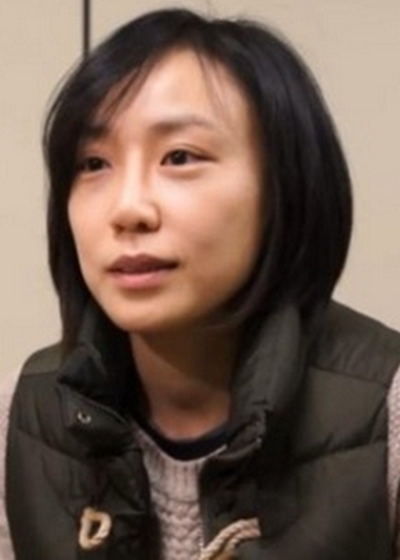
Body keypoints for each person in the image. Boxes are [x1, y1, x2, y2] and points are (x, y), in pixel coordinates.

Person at [1, 7, 400, 560]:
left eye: (180, 157)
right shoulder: (23, 419)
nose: (128, 208)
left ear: (283, 188)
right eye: (93, 164)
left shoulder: (387, 414)